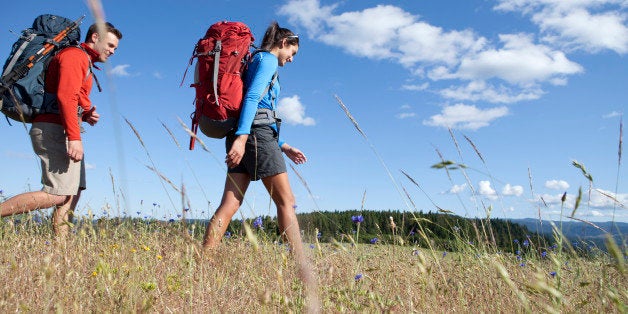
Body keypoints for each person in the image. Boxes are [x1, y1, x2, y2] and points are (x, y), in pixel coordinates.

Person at [0, 22, 122, 237]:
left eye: (115, 48)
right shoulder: (75, 56)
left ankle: (61, 251)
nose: (112, 51)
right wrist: (74, 138)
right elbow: (67, 96)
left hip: (61, 126)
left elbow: (69, 93)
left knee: (72, 192)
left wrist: (85, 112)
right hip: (54, 128)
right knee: (57, 194)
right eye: (110, 45)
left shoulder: (83, 59)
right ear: (95, 37)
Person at [202, 21, 307, 255]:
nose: (291, 58)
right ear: (284, 43)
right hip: (252, 136)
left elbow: (257, 110)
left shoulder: (255, 60)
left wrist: (284, 146)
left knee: (231, 203)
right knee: (286, 201)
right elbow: (251, 99)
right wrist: (242, 138)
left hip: (247, 134)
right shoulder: (268, 60)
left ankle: (204, 260)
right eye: (292, 52)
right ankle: (301, 263)